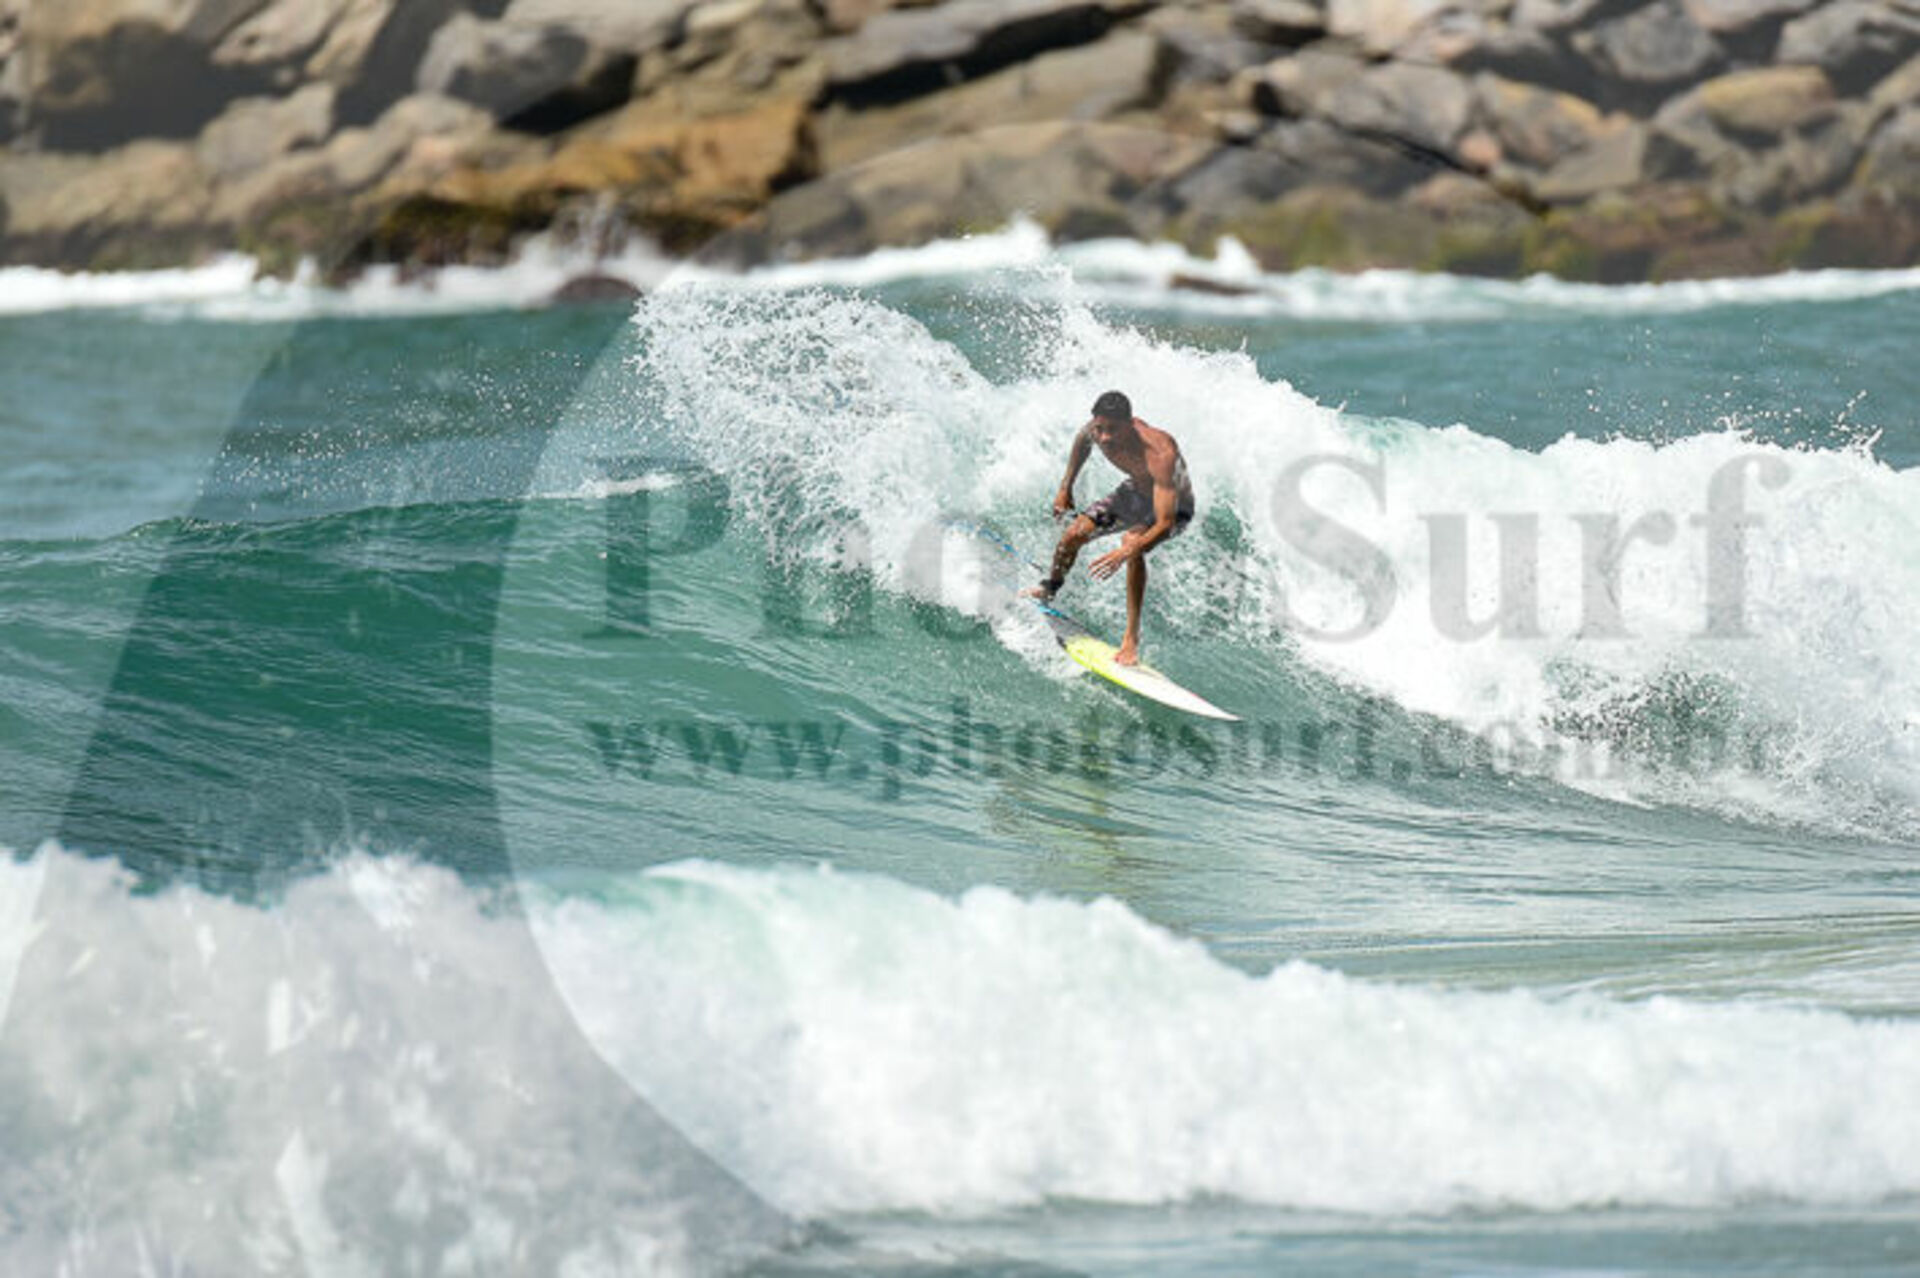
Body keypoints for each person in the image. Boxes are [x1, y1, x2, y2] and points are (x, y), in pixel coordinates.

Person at [1024, 390, 1194, 666]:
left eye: (1112, 429)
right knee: (1074, 535)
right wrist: (1066, 487)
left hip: (1174, 510)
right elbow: (1082, 441)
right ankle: (1050, 587)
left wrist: (1125, 552)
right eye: (1099, 429)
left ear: (1130, 424)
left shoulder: (1160, 452)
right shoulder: (1096, 430)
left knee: (1132, 543)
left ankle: (1131, 639)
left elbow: (1164, 523)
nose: (1104, 437)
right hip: (1134, 494)